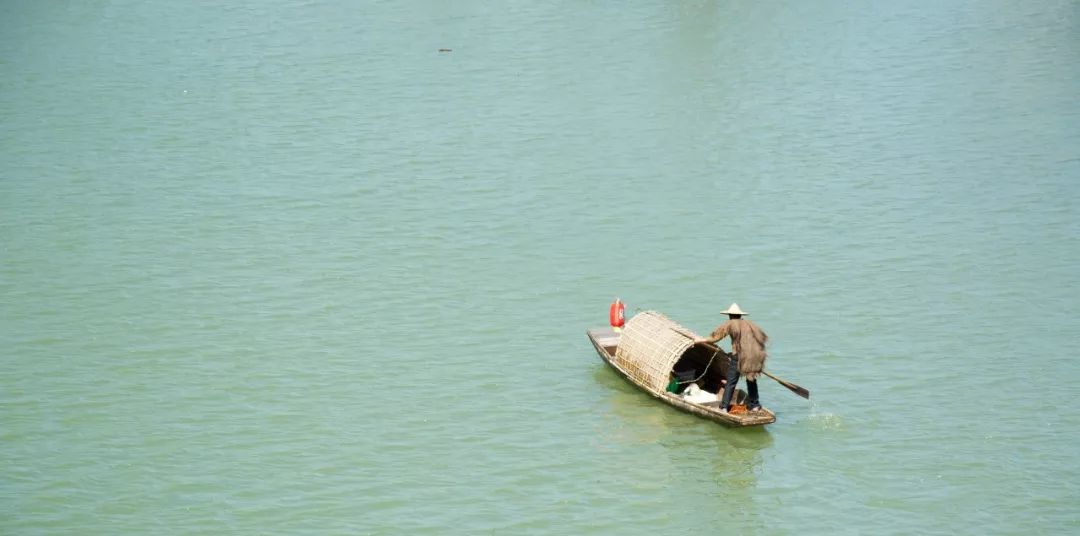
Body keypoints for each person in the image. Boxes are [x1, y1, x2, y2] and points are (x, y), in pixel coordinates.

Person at [695, 303, 768, 412]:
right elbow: (760, 338)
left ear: (730, 315)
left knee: (731, 381)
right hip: (754, 356)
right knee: (751, 380)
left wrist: (700, 340)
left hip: (740, 356)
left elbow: (715, 337)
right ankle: (755, 405)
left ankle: (724, 407)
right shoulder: (749, 324)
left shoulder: (730, 323)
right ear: (739, 315)